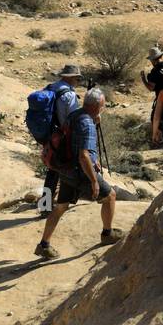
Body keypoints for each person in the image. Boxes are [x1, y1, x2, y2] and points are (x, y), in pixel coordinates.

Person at [36, 87, 123, 259]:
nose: (104, 107)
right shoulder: (87, 124)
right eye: (103, 105)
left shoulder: (74, 115)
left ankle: (43, 245)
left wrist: (93, 155)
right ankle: (107, 233)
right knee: (110, 196)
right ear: (98, 106)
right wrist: (94, 181)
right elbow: (83, 156)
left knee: (61, 206)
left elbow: (73, 141)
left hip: (65, 169)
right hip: (79, 171)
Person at [38, 66, 83, 217]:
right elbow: (72, 118)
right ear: (70, 78)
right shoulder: (69, 95)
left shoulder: (51, 87)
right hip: (64, 136)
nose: (78, 81)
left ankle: (45, 205)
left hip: (50, 135)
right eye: (77, 78)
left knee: (52, 169)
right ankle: (67, 201)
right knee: (71, 166)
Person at [141, 46, 163, 118]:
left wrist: (143, 79)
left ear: (153, 60)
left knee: (155, 119)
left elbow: (150, 88)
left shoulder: (154, 72)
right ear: (161, 56)